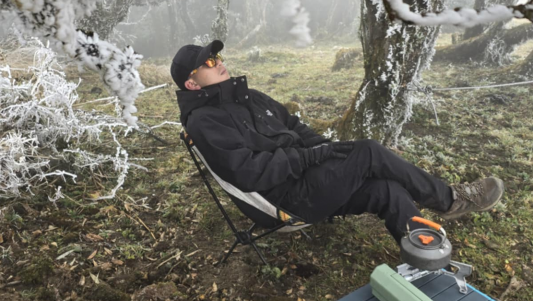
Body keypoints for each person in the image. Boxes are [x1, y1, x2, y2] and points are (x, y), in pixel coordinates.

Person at [171, 40, 504, 243]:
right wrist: (313, 157)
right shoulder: (203, 121)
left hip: (309, 180)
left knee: (387, 189)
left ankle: (427, 258)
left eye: (218, 57)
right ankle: (450, 199)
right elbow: (248, 172)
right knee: (369, 151)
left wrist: (325, 151)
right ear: (192, 84)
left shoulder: (250, 96)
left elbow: (294, 126)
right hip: (284, 201)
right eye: (209, 63)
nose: (220, 63)